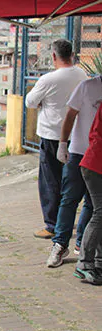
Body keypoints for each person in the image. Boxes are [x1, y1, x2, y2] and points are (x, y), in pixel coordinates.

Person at [25, 39, 88, 240]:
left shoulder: (48, 79)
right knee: (72, 180)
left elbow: (30, 102)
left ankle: (52, 224)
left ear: (54, 56)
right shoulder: (81, 75)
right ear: (72, 54)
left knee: (50, 181)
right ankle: (71, 221)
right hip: (75, 135)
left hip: (52, 135)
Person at [46, 76, 101, 267]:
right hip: (79, 152)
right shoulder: (88, 86)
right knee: (69, 199)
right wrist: (63, 144)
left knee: (93, 205)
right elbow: (70, 115)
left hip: (98, 157)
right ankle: (60, 244)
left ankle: (82, 244)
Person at [74, 102, 102, 285]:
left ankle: (97, 262)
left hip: (94, 164)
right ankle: (84, 264)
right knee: (100, 213)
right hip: (95, 166)